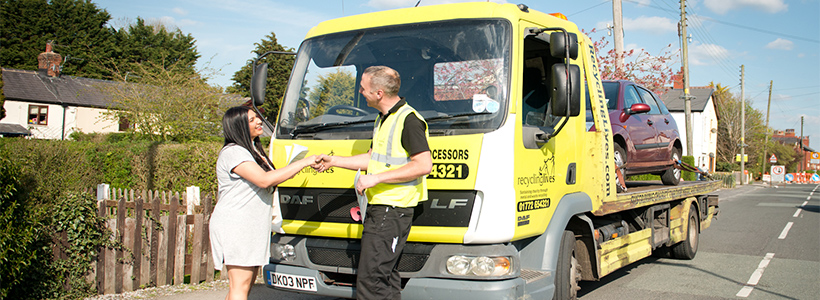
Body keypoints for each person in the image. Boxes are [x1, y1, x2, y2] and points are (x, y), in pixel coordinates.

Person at [313, 66, 432, 300]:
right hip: (383, 209)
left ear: (379, 93)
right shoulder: (383, 119)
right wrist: (333, 160)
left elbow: (423, 165)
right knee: (385, 277)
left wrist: (375, 179)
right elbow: (372, 158)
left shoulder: (408, 120)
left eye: (363, 88)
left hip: (392, 210)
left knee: (371, 280)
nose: (360, 92)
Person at [209, 106, 317, 300]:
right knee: (240, 287)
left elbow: (271, 178)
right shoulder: (234, 152)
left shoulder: (253, 151)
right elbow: (264, 180)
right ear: (238, 126)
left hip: (249, 225)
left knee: (243, 286)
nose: (259, 121)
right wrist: (303, 162)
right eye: (251, 120)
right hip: (236, 225)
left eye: (256, 117)